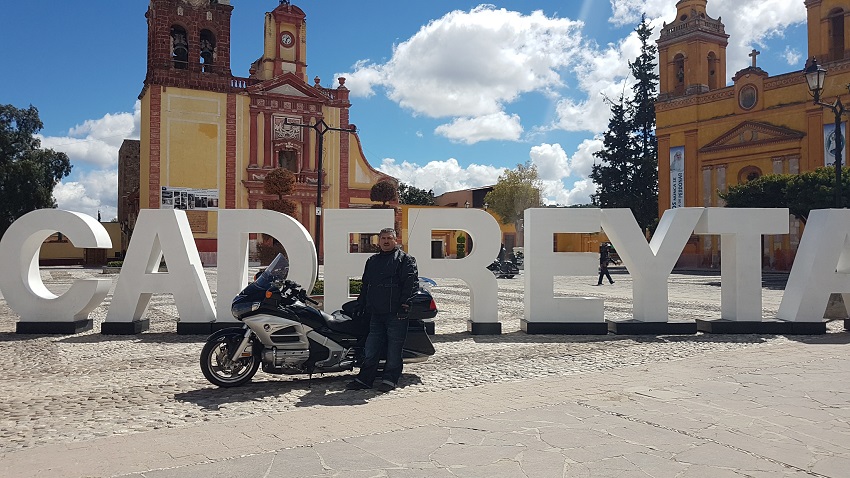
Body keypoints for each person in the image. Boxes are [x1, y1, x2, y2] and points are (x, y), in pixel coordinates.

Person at [346, 228, 419, 392]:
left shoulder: (405, 259)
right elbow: (366, 285)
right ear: (378, 241)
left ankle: (389, 380)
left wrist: (405, 305)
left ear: (395, 240)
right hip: (375, 313)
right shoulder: (372, 260)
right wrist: (361, 303)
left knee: (394, 349)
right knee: (371, 348)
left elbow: (411, 284)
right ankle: (365, 379)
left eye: (389, 238)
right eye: (383, 238)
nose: (386, 241)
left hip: (396, 313)